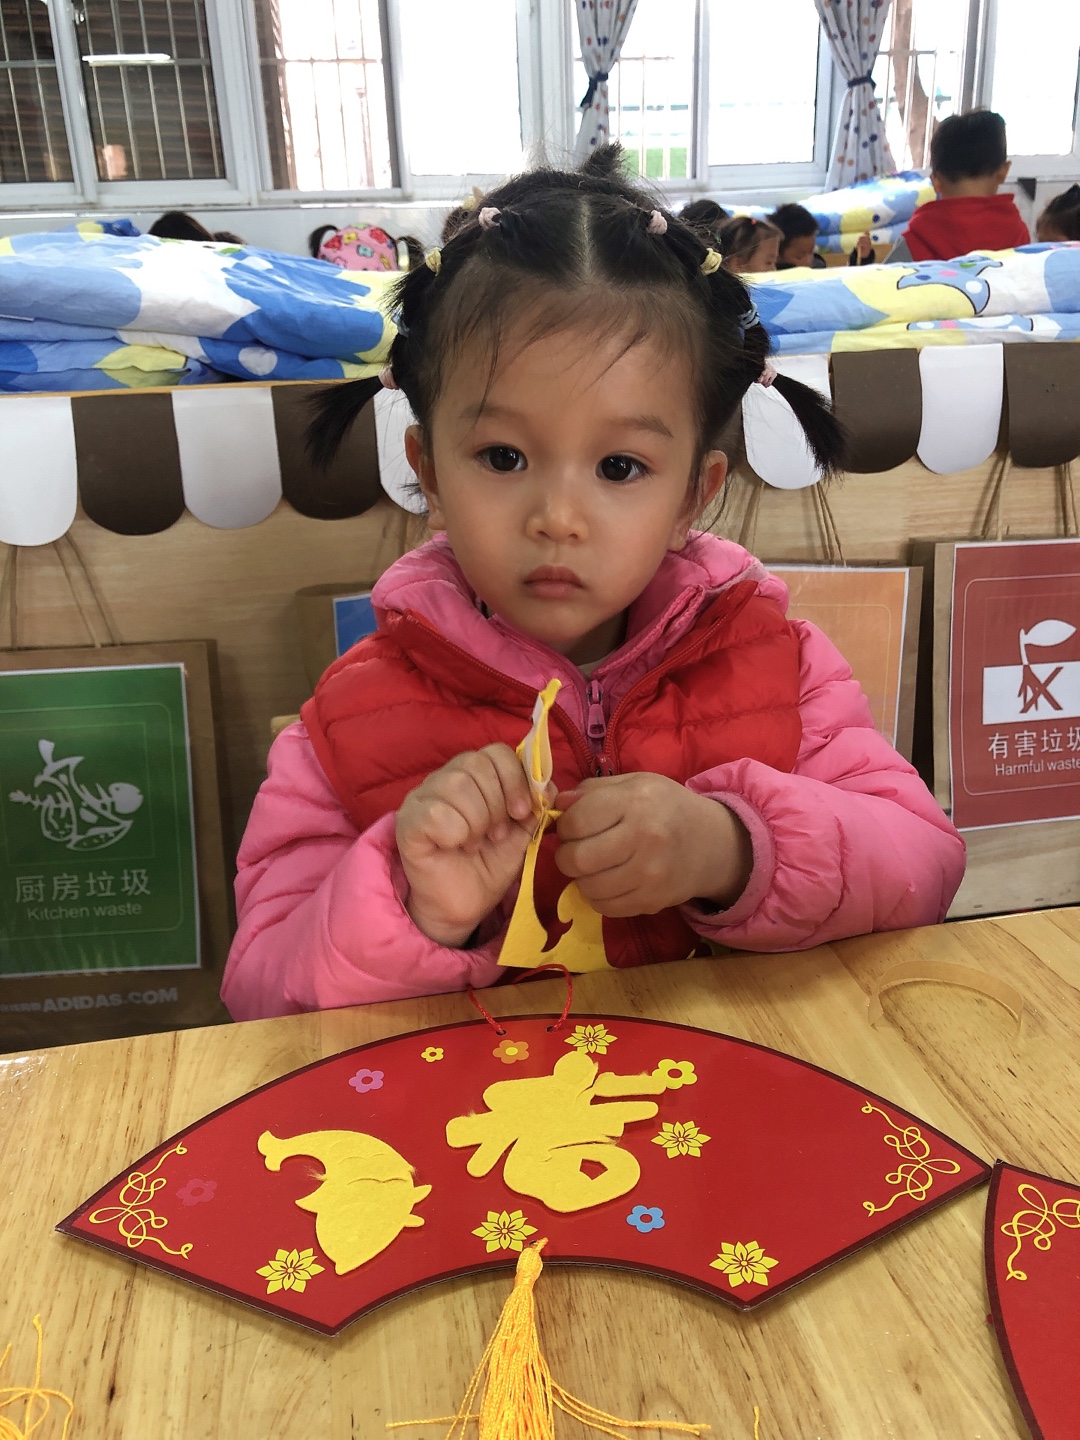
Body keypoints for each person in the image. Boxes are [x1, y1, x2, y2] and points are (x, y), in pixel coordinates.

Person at [221, 145, 965, 1021]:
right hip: (487, 1101)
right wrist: (415, 905)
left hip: (727, 1087)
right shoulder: (348, 720)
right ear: (428, 472)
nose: (558, 518)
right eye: (504, 457)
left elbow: (924, 864)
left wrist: (732, 847)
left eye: (620, 466)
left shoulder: (783, 667)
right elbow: (260, 992)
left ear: (693, 495)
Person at [903, 110, 1029, 261]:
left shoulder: (918, 234)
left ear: (936, 181)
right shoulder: (1016, 231)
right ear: (1003, 172)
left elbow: (887, 273)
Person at [769, 204, 827, 270]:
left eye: (811, 252)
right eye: (799, 257)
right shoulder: (770, 272)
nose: (809, 262)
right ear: (776, 254)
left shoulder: (818, 267)